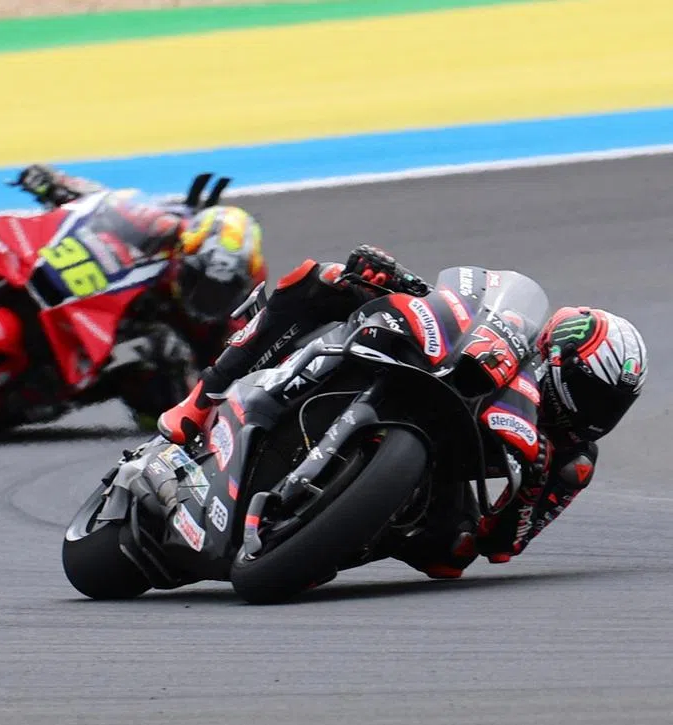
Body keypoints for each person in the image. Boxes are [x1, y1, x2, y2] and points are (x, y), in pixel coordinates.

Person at [157, 245, 648, 578]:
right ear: (556, 360)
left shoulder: (570, 460)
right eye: (593, 392)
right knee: (325, 278)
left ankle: (330, 538)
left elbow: (502, 546)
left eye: (613, 405)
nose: (598, 413)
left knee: (451, 556)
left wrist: (537, 479)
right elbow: (458, 309)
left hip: (447, 471)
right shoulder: (511, 345)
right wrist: (392, 278)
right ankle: (200, 402)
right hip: (423, 377)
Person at [7, 164, 268, 427]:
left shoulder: (235, 321)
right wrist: (54, 182)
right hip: (101, 290)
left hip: (144, 342)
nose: (206, 297)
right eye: (196, 280)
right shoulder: (165, 227)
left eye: (221, 292)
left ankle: (62, 393)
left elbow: (235, 380)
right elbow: (105, 202)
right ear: (184, 252)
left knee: (166, 401)